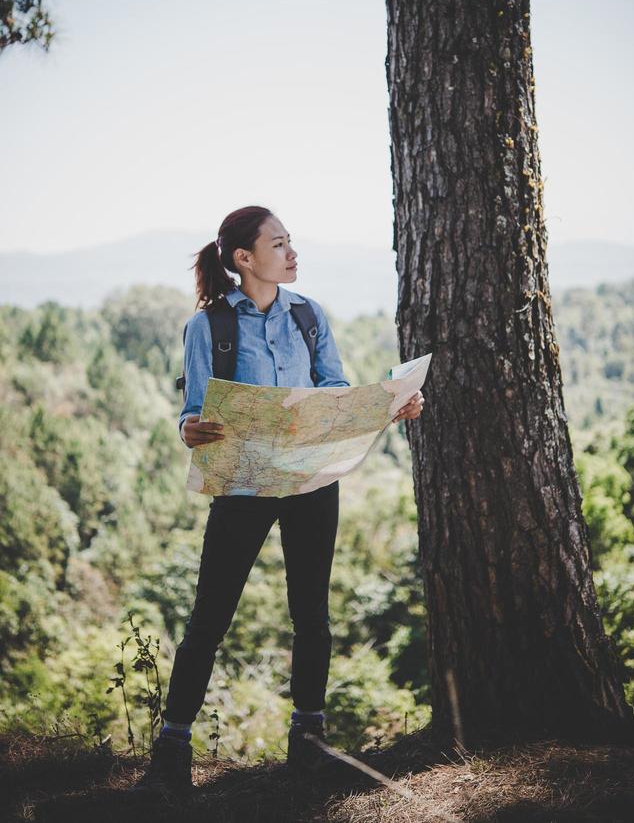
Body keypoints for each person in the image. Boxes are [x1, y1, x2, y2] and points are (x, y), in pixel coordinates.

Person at [134, 205, 424, 795]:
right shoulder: (208, 326)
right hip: (242, 487)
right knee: (208, 620)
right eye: (280, 244)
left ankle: (310, 746)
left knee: (312, 616)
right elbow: (193, 412)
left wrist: (382, 407)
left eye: (291, 243)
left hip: (312, 484)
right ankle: (171, 754)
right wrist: (190, 429)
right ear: (245, 259)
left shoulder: (309, 315)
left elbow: (333, 387)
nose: (293, 254)